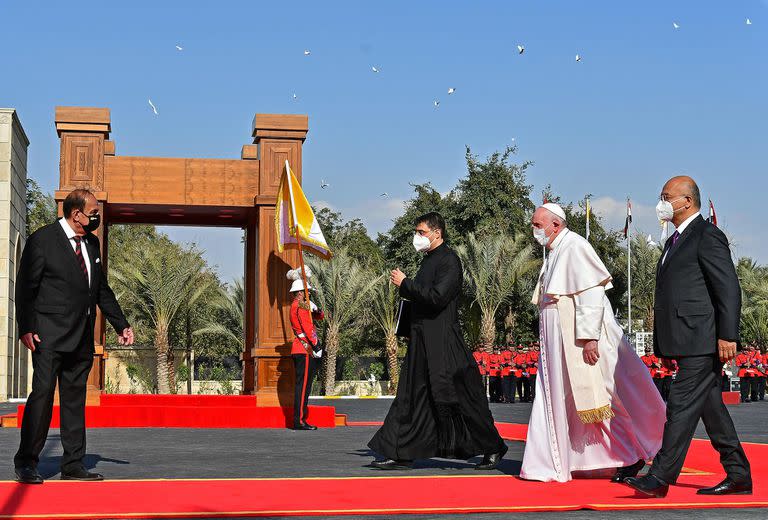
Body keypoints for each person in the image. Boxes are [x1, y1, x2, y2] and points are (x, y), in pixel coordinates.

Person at [626, 176, 752, 497]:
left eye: (666, 196)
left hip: (704, 339)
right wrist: (665, 344)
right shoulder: (674, 240)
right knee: (711, 408)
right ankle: (738, 473)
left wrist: (728, 335)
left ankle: (659, 478)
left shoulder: (707, 235)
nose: (661, 202)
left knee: (680, 403)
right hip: (685, 340)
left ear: (686, 201)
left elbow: (728, 288)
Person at [520, 203, 665, 483]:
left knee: (599, 397)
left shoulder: (575, 246)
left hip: (580, 339)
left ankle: (629, 454)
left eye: (537, 225)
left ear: (556, 225)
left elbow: (590, 296)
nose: (533, 230)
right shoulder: (554, 252)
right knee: (566, 402)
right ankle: (562, 461)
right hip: (557, 338)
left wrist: (588, 339)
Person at [369, 212, 507, 470]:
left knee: (460, 396)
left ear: (436, 233)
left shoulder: (449, 261)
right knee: (411, 396)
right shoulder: (428, 261)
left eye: (421, 232)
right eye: (417, 232)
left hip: (443, 342)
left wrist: (405, 284)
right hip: (421, 340)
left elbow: (437, 297)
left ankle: (493, 448)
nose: (417, 237)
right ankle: (400, 452)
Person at [14, 189, 134, 484]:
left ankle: (73, 465)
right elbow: (26, 287)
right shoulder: (43, 240)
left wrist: (121, 324)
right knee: (42, 396)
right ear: (76, 213)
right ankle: (27, 462)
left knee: (74, 400)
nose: (97, 216)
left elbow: (100, 289)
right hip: (48, 336)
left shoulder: (91, 243)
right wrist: (26, 327)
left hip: (81, 337)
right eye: (93, 211)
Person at [287, 266, 324, 431]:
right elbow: (308, 327)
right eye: (307, 291)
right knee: (303, 387)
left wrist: (316, 308)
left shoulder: (299, 305)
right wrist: (316, 345)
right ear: (300, 292)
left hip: (300, 348)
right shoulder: (300, 306)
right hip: (305, 348)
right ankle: (300, 421)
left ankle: (299, 420)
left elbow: (319, 316)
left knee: (303, 385)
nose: (309, 294)